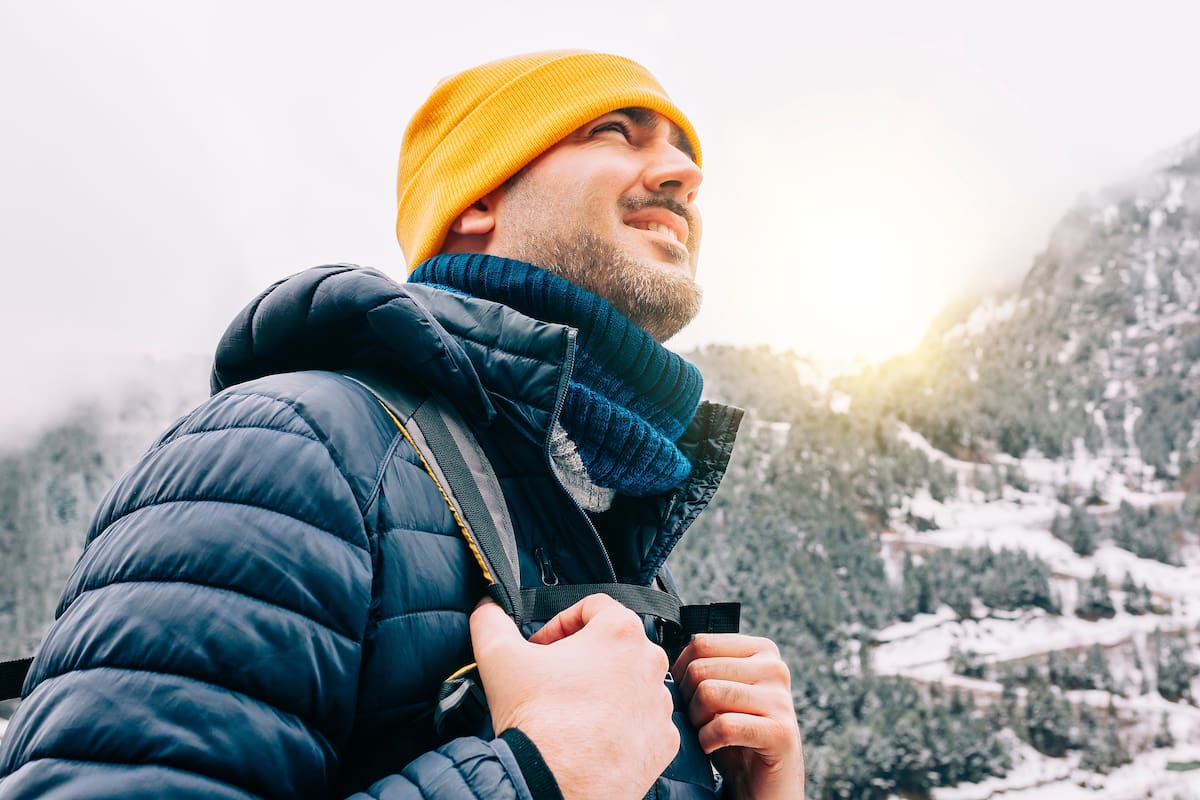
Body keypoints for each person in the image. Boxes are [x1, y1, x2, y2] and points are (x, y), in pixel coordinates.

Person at [0, 50, 802, 799]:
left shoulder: (598, 524)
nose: (685, 175)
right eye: (615, 132)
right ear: (477, 199)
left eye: (684, 152)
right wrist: (532, 775)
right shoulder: (292, 445)